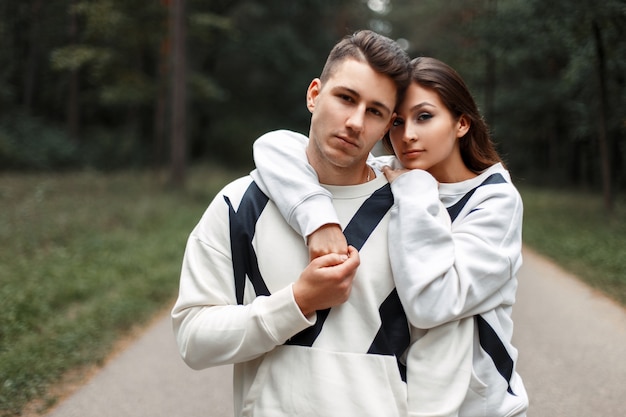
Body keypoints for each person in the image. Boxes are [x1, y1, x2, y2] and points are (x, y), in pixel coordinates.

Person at [172, 30, 465, 417]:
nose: (356, 122)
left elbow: (442, 354)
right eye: (346, 98)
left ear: (388, 126)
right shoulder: (241, 203)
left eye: (375, 111)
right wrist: (298, 301)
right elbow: (193, 339)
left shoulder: (414, 214)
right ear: (314, 95)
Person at [252, 56, 529, 416]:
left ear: (461, 123)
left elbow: (432, 304)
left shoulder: (494, 201)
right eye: (396, 122)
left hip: (481, 407)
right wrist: (318, 220)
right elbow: (273, 147)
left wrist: (415, 189)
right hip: (408, 400)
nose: (407, 135)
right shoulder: (394, 173)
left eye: (424, 117)